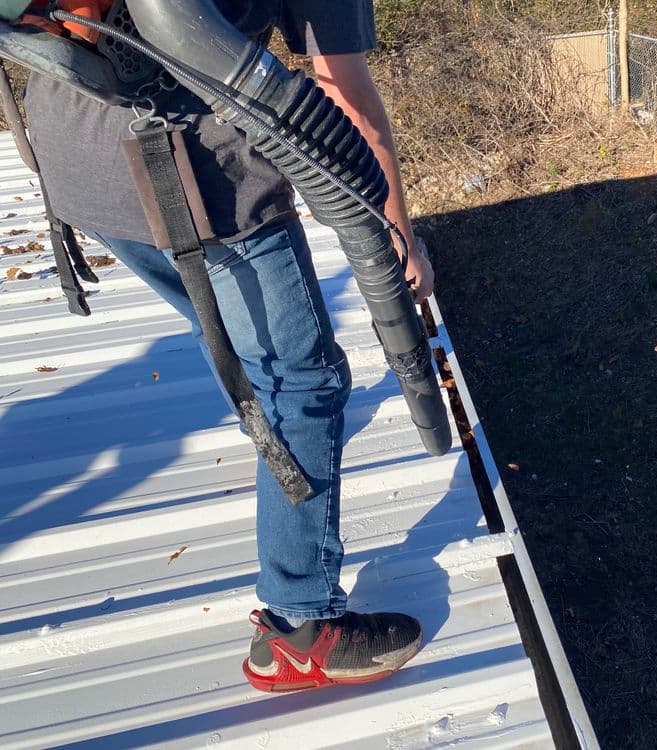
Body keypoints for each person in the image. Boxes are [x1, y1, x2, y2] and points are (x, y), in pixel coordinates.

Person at [23, 0, 431, 692]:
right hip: (198, 179)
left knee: (235, 340)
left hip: (73, 161)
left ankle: (281, 479)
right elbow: (341, 91)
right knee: (301, 383)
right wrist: (396, 233)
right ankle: (301, 623)